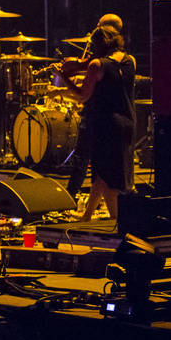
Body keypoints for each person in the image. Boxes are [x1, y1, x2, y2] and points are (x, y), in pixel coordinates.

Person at [55, 25, 136, 220]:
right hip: (128, 121)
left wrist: (63, 78)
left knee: (107, 177)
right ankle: (88, 214)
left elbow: (83, 96)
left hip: (106, 124)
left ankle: (117, 220)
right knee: (101, 173)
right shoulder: (129, 60)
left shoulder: (97, 65)